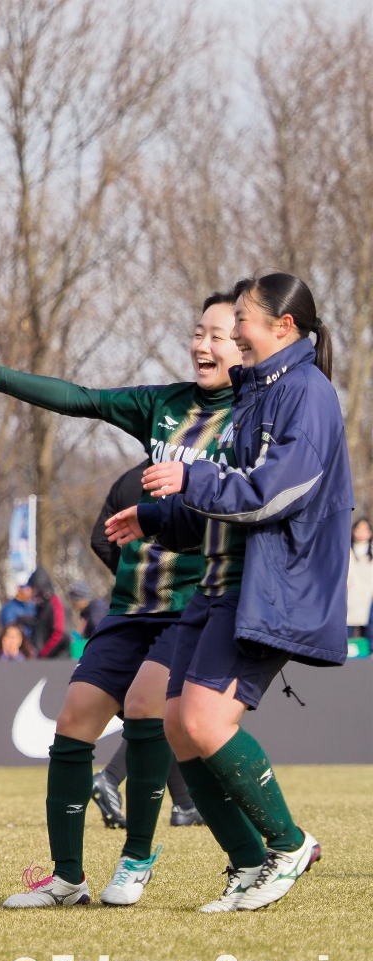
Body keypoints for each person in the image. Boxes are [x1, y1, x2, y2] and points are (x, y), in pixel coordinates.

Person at [0, 289, 243, 908]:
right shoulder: (164, 404)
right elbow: (82, 398)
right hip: (133, 603)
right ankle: (66, 879)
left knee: (144, 708)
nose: (202, 345)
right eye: (198, 332)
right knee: (73, 720)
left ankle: (137, 858)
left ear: (244, 346)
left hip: (193, 607)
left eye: (217, 336)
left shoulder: (251, 420)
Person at [107, 272, 351, 911]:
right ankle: (247, 862)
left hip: (266, 589)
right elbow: (226, 503)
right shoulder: (257, 393)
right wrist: (157, 518)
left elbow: (276, 494)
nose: (233, 330)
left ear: (283, 327)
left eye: (241, 318)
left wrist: (189, 478)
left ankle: (290, 845)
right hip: (220, 586)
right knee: (177, 727)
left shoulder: (307, 392)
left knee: (203, 721)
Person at [26, 567, 70, 658]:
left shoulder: (55, 603)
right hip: (46, 658)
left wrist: (44, 653)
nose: (33, 593)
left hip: (57, 658)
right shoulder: (42, 605)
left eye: (34, 589)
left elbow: (60, 633)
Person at [348, 518, 373, 638]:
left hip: (369, 599)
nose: (362, 533)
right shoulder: (346, 551)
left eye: (365, 530)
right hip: (349, 599)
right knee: (347, 636)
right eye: (359, 529)